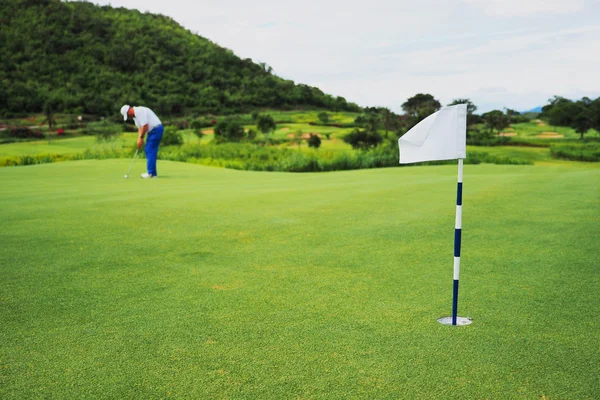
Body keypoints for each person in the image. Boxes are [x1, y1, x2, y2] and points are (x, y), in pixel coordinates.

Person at [120, 105, 164, 178]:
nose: (129, 117)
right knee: (149, 150)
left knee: (149, 149)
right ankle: (153, 173)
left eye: (128, 115)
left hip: (156, 130)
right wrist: (139, 139)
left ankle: (151, 173)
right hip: (152, 132)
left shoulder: (139, 111)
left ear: (129, 110)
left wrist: (141, 137)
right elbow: (140, 128)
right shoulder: (135, 117)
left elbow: (145, 126)